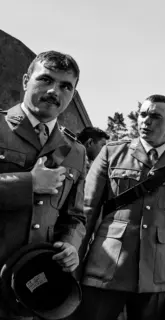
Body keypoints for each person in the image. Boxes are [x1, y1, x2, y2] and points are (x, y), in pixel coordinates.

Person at [76, 94, 165, 320]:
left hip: (157, 275)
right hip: (106, 269)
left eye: (155, 116)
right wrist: (74, 267)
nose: (145, 121)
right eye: (142, 114)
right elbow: (86, 212)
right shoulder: (112, 153)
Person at [0, 51, 87, 319]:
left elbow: (74, 216)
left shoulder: (75, 150)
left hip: (33, 283)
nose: (54, 91)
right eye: (46, 79)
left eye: (65, 86)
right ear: (26, 80)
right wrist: (29, 183)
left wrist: (70, 244)